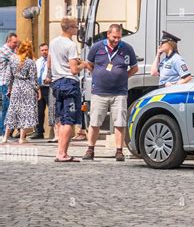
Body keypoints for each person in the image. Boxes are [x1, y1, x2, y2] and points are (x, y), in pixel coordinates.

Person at [83, 24, 138, 162]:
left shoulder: (127, 48)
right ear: (108, 34)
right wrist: (97, 73)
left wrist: (124, 76)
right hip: (99, 91)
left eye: (119, 37)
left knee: (120, 122)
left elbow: (134, 68)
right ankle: (90, 149)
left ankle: (119, 151)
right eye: (114, 37)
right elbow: (88, 63)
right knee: (95, 122)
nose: (117, 40)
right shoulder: (97, 47)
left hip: (119, 92)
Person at [49, 17, 87, 162]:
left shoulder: (53, 42)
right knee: (69, 120)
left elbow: (50, 63)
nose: (77, 29)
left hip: (57, 82)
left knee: (61, 119)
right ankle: (62, 153)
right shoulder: (71, 45)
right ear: (70, 29)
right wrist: (84, 64)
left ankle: (60, 152)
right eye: (76, 27)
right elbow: (73, 70)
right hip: (69, 84)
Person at [2, 41, 40, 144]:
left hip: (16, 88)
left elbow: (8, 78)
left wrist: (9, 89)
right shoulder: (31, 62)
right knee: (25, 112)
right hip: (27, 89)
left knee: (12, 111)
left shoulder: (12, 60)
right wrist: (38, 90)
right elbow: (34, 80)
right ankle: (22, 138)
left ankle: (5, 137)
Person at [30, 43, 50, 139]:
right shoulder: (38, 61)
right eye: (42, 50)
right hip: (39, 88)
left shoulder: (52, 60)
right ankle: (39, 132)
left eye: (46, 50)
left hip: (49, 87)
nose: (44, 52)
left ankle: (56, 132)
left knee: (52, 110)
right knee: (39, 111)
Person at [0, 32, 19, 137]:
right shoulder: (6, 50)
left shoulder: (11, 50)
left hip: (8, 84)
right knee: (7, 108)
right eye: (14, 42)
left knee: (8, 108)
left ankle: (6, 132)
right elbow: (19, 59)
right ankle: (4, 132)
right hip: (5, 84)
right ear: (8, 41)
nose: (16, 45)